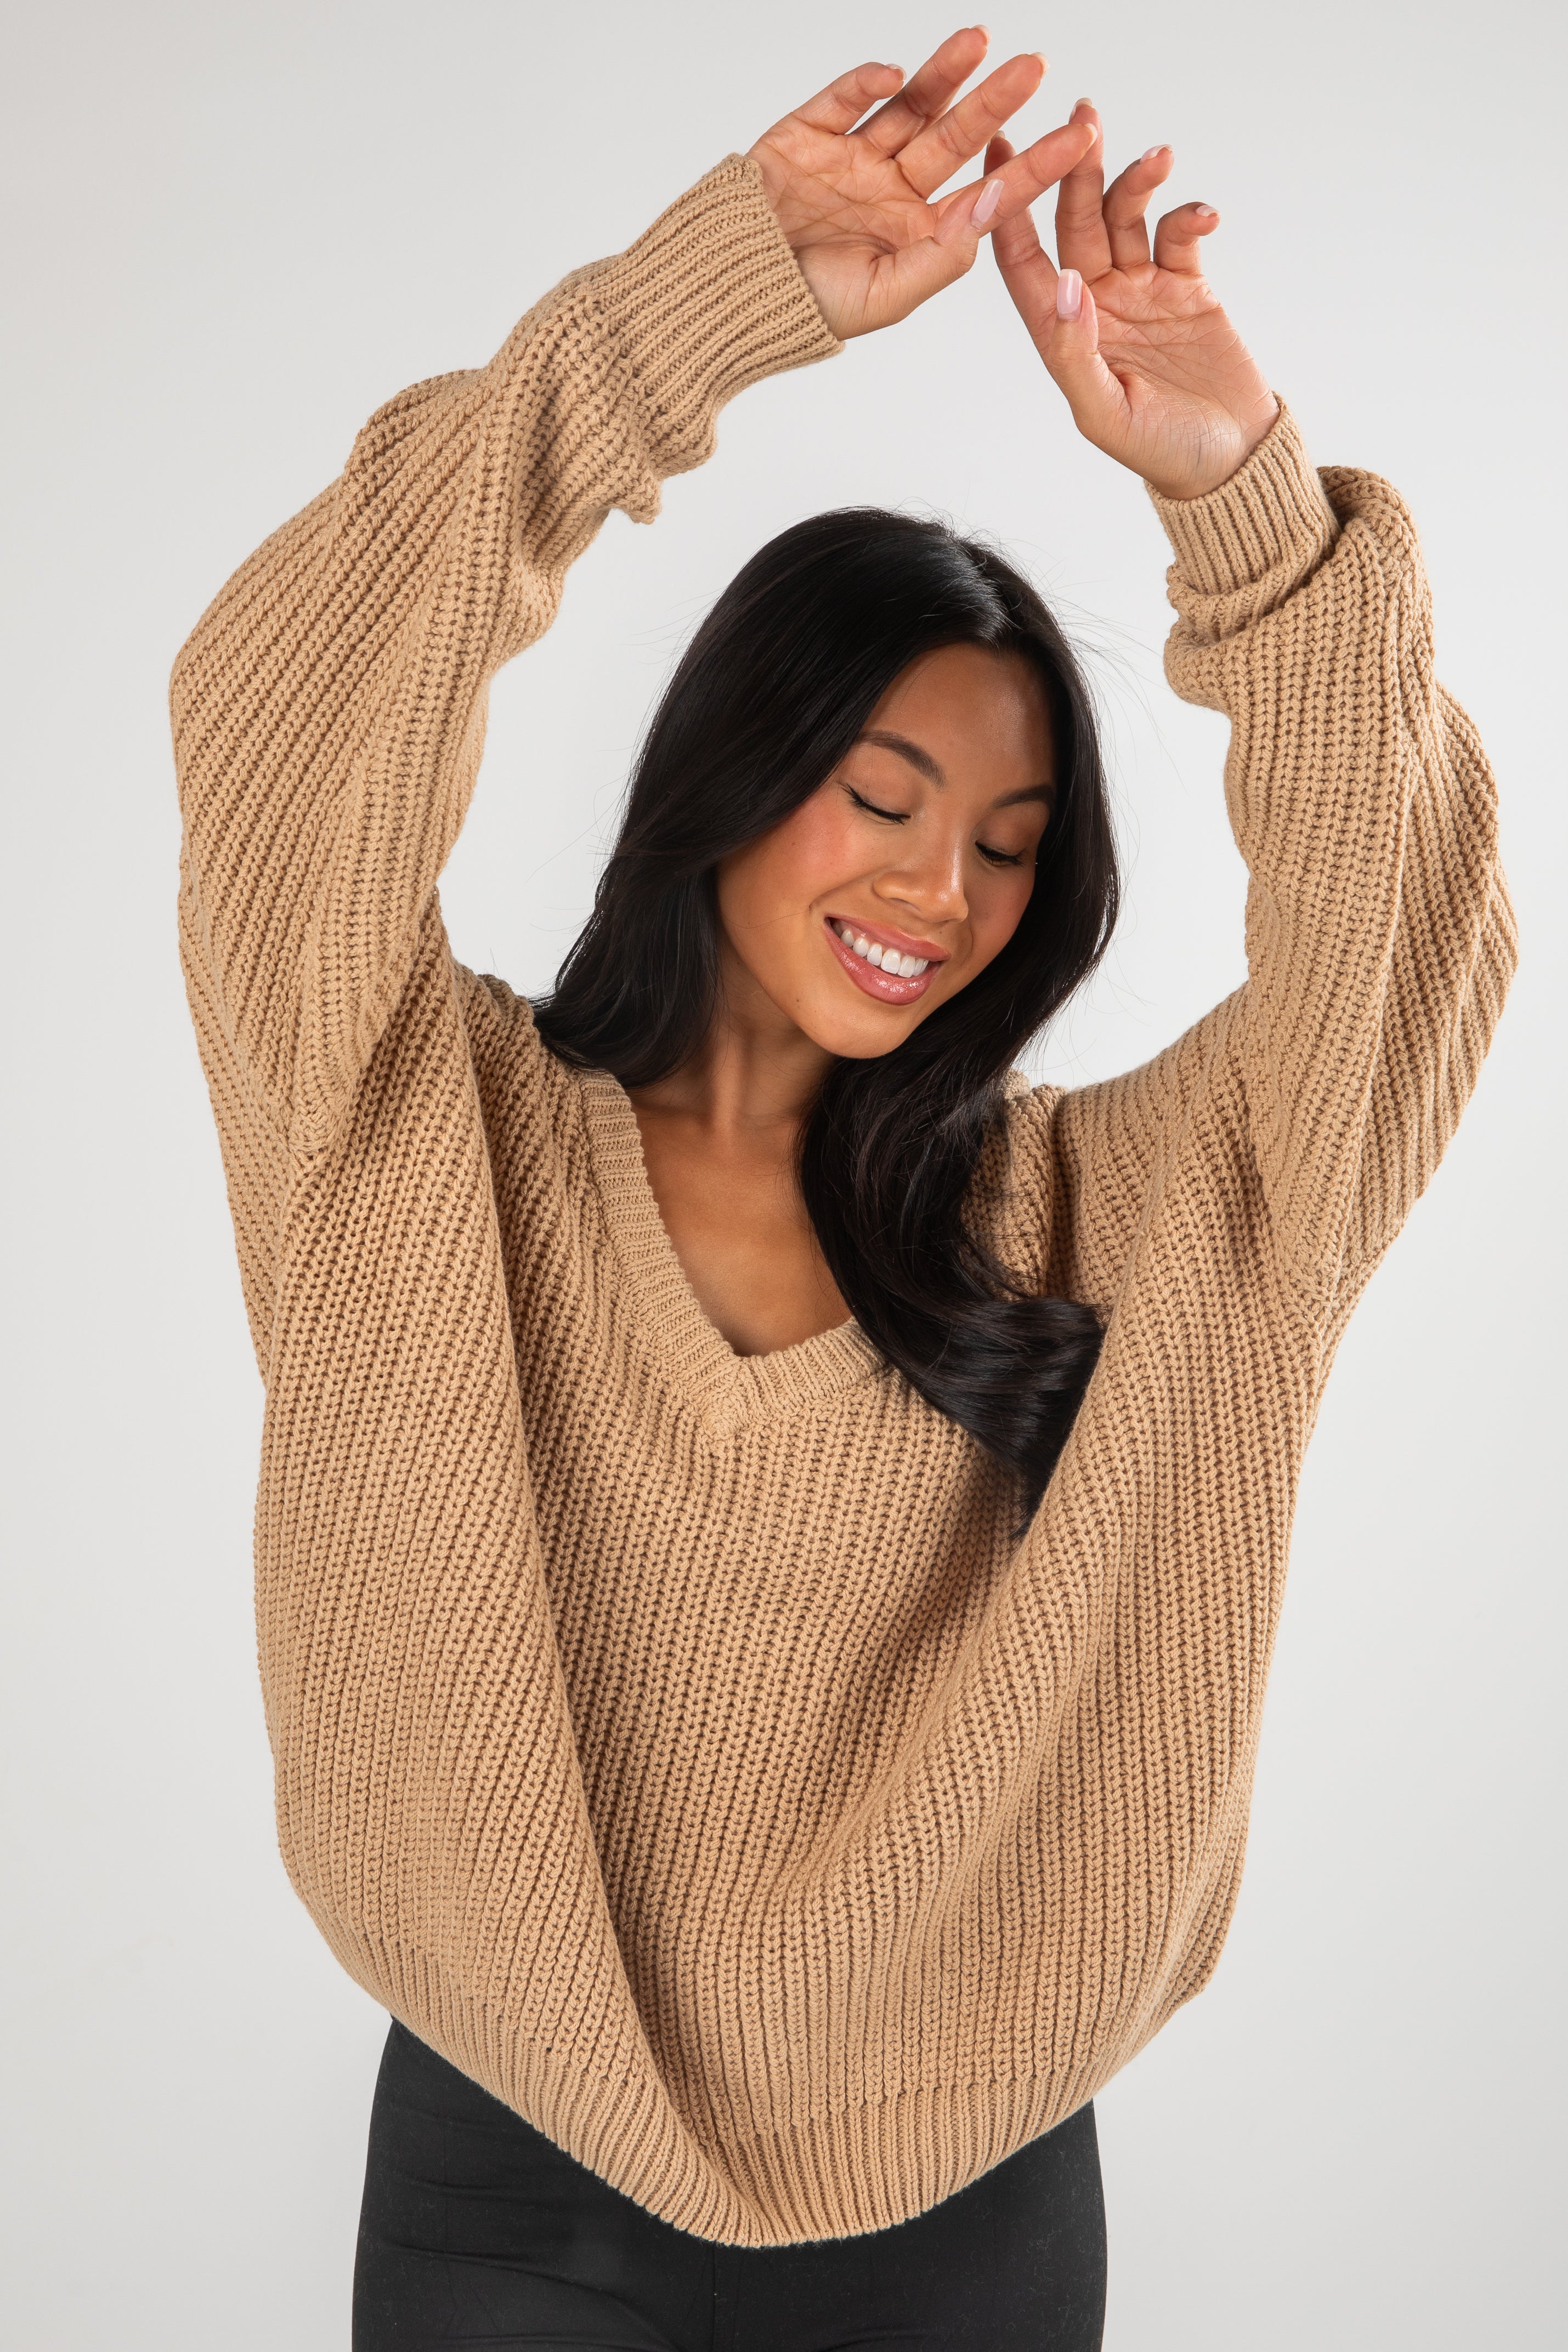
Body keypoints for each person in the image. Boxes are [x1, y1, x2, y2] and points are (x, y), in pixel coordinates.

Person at [170, 26, 1514, 2350]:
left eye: (1006, 844)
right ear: (738, 769)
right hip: (513, 2185)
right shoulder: (407, 1130)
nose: (938, 888)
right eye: (881, 795)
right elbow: (286, 732)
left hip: (973, 2203)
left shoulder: (1143, 1221)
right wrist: (677, 323)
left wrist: (1249, 510)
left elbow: (1407, 948)